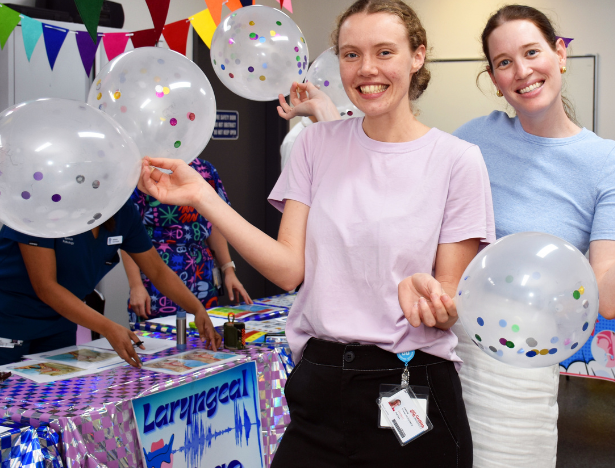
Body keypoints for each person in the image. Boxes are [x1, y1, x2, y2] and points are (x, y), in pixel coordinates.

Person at [275, 5, 615, 466]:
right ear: (493, 80)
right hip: (438, 353)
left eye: (531, 53)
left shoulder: (606, 162)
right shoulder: (473, 141)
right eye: (504, 62)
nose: (522, 71)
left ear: (560, 54)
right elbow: (388, 164)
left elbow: (609, 298)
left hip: (520, 371)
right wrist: (325, 116)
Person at [138, 1, 494, 465]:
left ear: (417, 56)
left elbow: (449, 304)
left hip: (410, 381)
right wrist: (204, 197)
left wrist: (432, 299)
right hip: (321, 382)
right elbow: (288, 270)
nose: (366, 69)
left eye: (384, 52)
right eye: (351, 54)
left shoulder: (457, 160)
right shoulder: (315, 144)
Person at [0, 200, 222, 368]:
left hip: (56, 319)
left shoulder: (123, 212)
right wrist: (107, 327)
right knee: (3, 402)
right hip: (1, 316)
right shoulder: (42, 207)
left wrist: (196, 309)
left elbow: (157, 270)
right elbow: (46, 286)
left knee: (55, 394)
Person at [122, 157, 252, 322]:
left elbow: (214, 223)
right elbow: (129, 231)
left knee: (205, 330)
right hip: (157, 269)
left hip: (201, 271)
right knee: (159, 334)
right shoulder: (145, 171)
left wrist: (228, 269)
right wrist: (136, 285)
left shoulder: (204, 169)